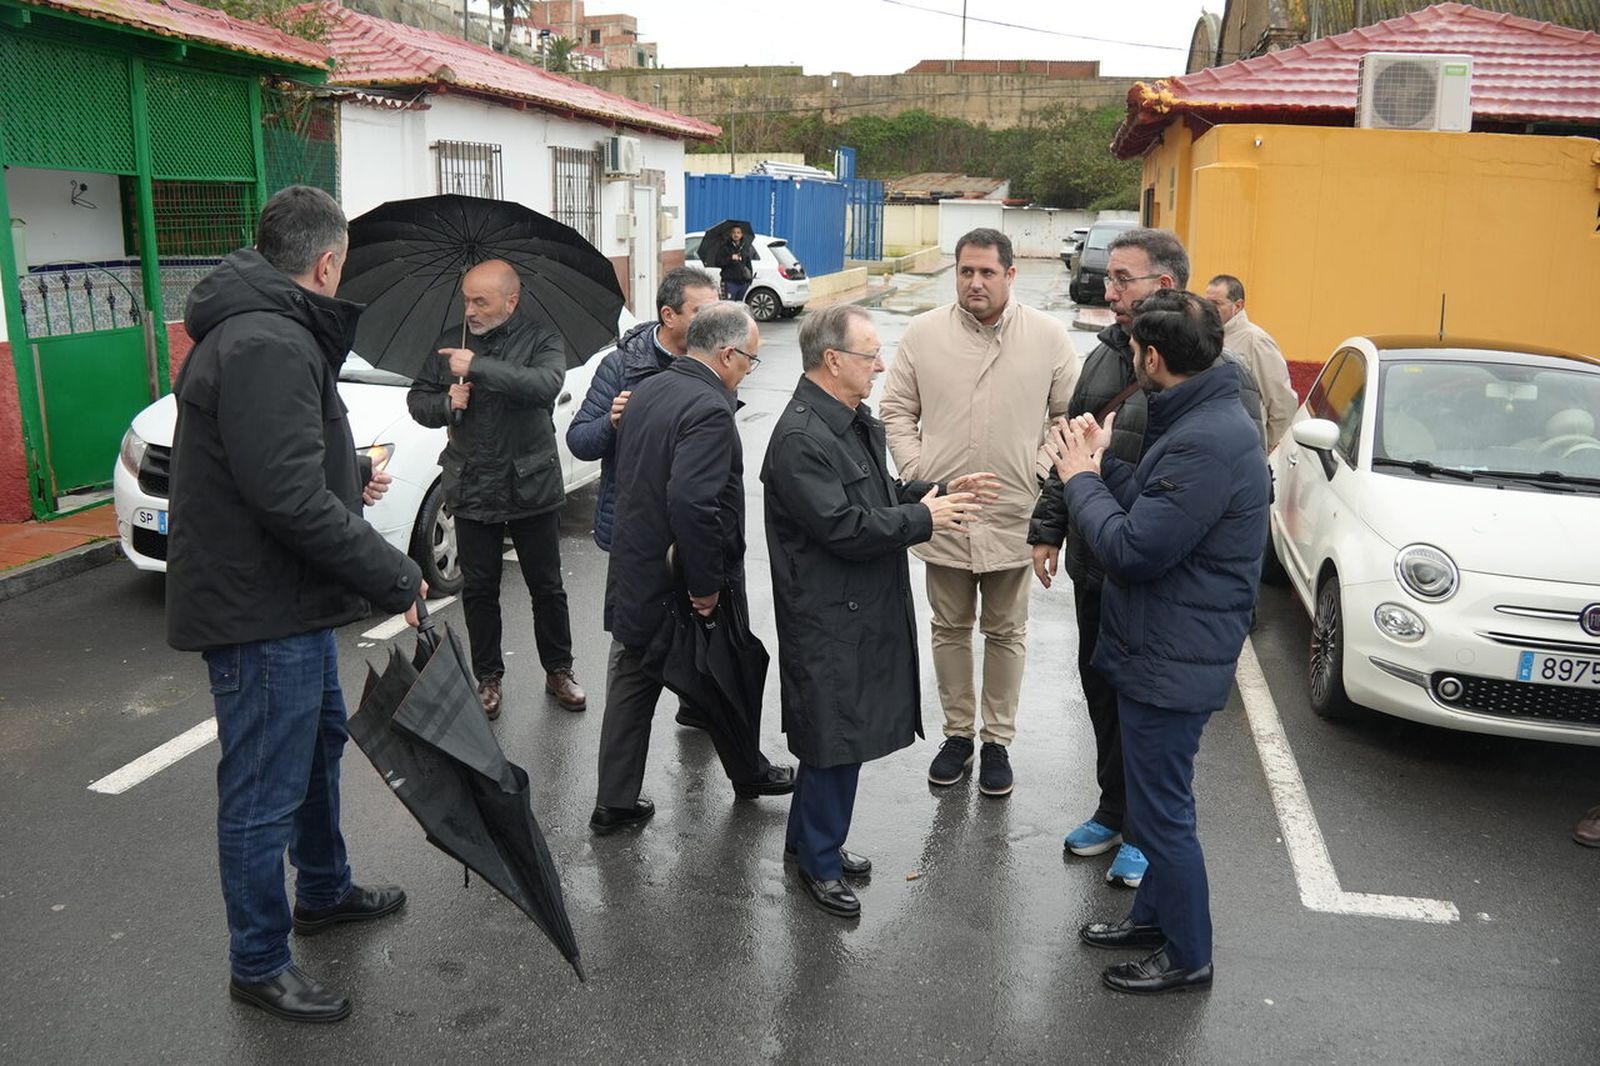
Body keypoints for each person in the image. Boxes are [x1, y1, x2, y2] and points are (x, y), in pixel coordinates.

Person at [166, 186, 423, 1023]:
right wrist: (395, 572)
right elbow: (281, 495)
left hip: (288, 598)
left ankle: (323, 888)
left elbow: (272, 468)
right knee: (263, 790)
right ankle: (258, 962)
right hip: (258, 608)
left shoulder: (266, 326)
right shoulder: (269, 339)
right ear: (326, 263)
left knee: (314, 752)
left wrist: (347, 478)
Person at [1043, 288, 1269, 995]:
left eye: (1135, 347)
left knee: (1164, 815)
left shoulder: (1209, 437)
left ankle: (1188, 953)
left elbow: (1135, 547)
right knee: (1147, 804)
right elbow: (1151, 499)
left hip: (1174, 655)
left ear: (1152, 357)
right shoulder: (1196, 414)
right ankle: (1152, 916)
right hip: (1156, 644)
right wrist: (1105, 462)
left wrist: (1078, 479)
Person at [762, 305, 995, 918]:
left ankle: (809, 841)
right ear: (833, 361)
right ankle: (819, 859)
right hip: (827, 612)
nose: (882, 365)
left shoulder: (847, 421)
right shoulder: (801, 438)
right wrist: (925, 521)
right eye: (871, 355)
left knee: (838, 733)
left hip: (854, 605)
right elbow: (843, 527)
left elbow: (877, 495)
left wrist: (935, 493)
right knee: (835, 735)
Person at [880, 227, 1078, 798]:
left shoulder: (1045, 335)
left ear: (1010, 275)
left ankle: (997, 742)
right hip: (943, 513)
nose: (975, 282)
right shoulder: (924, 334)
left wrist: (1039, 472)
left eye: (987, 272)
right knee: (948, 627)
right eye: (966, 271)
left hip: (1015, 510)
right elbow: (896, 409)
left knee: (1007, 630)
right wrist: (923, 475)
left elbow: (1068, 416)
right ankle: (959, 735)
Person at [590, 301, 795, 834]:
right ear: (726, 354)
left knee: (632, 684)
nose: (750, 370)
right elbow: (692, 504)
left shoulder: (650, 389)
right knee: (728, 674)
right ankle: (750, 773)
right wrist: (705, 587)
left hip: (636, 572)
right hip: (683, 581)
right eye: (750, 360)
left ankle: (614, 801)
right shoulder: (708, 407)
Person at [406, 259, 585, 719]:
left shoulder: (541, 338)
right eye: (467, 299)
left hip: (531, 482)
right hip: (472, 484)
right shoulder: (452, 340)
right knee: (480, 589)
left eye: (480, 301)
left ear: (511, 300)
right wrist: (447, 402)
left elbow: (545, 383)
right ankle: (489, 678)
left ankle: (559, 670)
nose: (471, 310)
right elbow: (417, 401)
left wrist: (479, 368)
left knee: (546, 586)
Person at [566, 266, 721, 553]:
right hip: (631, 528)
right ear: (669, 315)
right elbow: (579, 441)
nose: (713, 323)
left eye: (716, 312)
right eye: (701, 312)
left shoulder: (715, 363)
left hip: (692, 523)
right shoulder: (621, 365)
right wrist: (611, 422)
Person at [1205, 274, 1298, 449]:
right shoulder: (1205, 335)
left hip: (1243, 447)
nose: (1209, 309)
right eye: (1206, 303)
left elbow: (1282, 403)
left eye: (1216, 304)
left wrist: (1263, 444)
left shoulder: (1256, 341)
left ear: (1237, 306)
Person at [713, 224, 755, 302]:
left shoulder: (745, 247)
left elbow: (748, 264)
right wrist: (730, 258)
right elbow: (718, 262)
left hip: (742, 283)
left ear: (742, 234)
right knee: (728, 307)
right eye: (734, 232)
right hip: (729, 282)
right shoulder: (725, 247)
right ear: (730, 234)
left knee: (739, 307)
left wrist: (749, 280)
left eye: (738, 232)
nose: (736, 235)